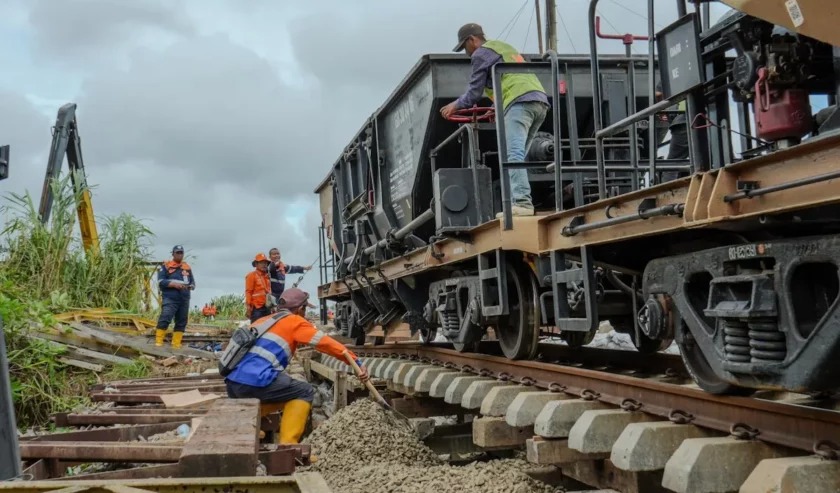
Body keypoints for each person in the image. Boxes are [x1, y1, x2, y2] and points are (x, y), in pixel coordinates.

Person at [224, 288, 370, 444]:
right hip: (255, 382)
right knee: (304, 391)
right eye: (305, 309)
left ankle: (250, 422)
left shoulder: (263, 321)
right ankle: (289, 447)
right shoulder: (295, 321)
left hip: (233, 384)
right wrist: (357, 363)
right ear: (301, 309)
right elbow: (326, 344)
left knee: (286, 395)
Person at [441, 22, 550, 217]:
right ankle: (519, 203)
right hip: (538, 101)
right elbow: (508, 78)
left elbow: (474, 92)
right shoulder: (502, 47)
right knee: (519, 155)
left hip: (518, 102)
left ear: (473, 39)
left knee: (513, 154)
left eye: (464, 46)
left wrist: (454, 105)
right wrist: (495, 108)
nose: (465, 52)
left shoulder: (480, 54)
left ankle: (523, 204)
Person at [155, 245, 195, 348]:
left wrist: (191, 286)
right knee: (165, 317)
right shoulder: (166, 266)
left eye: (181, 252)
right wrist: (173, 284)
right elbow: (161, 282)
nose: (179, 254)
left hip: (184, 298)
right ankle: (158, 342)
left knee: (182, 321)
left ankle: (176, 344)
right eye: (177, 252)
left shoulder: (187, 267)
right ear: (173, 254)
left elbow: (192, 282)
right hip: (170, 298)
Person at [245, 253, 272, 322]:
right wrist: (248, 308)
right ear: (256, 264)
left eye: (265, 263)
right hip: (257, 308)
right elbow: (248, 292)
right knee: (255, 329)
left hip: (267, 307)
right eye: (261, 263)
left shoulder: (267, 277)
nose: (264, 264)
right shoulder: (251, 275)